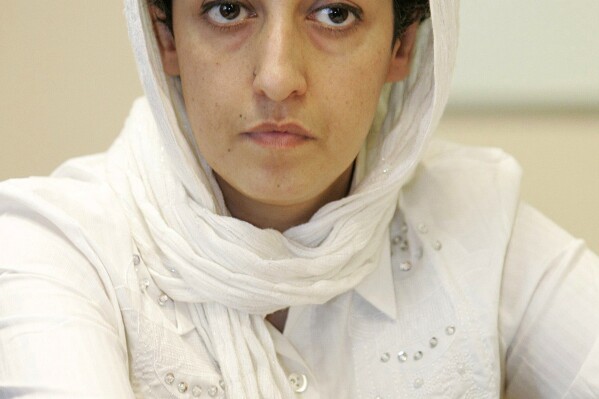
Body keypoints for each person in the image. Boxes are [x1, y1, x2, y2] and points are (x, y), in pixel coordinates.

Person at [0, 0, 597, 398]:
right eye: (228, 9)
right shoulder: (53, 247)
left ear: (402, 46)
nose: (279, 76)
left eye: (334, 13)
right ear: (165, 37)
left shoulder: (475, 217)